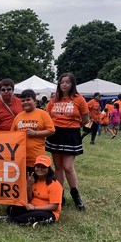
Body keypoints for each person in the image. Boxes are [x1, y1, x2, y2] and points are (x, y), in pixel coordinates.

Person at [45, 73, 89, 211]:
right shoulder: (53, 99)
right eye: (62, 82)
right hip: (55, 134)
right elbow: (47, 116)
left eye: (67, 82)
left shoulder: (79, 99)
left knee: (68, 166)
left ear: (72, 84)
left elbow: (85, 119)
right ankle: (60, 195)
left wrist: (73, 126)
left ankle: (75, 195)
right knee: (58, 167)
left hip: (71, 135)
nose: (64, 84)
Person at [0, 155, 63, 228]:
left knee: (38, 215)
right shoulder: (33, 181)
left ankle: (11, 220)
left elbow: (54, 206)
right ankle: (32, 220)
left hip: (49, 212)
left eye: (43, 167)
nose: (40, 169)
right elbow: (29, 200)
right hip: (32, 208)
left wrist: (35, 208)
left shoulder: (55, 185)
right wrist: (29, 186)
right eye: (38, 167)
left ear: (49, 169)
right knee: (12, 209)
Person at [10, 89, 55, 173]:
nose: (25, 102)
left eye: (28, 100)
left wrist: (35, 133)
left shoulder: (43, 114)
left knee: (36, 181)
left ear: (34, 101)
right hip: (21, 158)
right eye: (22, 101)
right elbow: (12, 134)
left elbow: (51, 131)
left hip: (36, 156)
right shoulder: (18, 116)